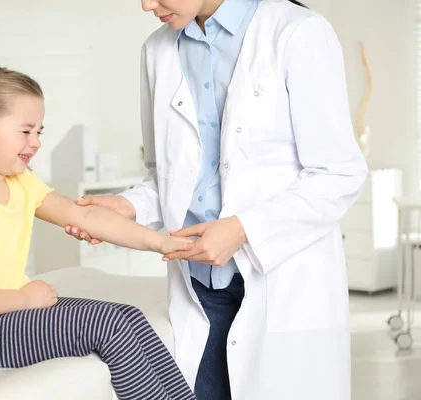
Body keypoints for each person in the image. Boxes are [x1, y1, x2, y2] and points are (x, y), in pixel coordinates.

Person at [65, 0, 369, 399]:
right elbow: (168, 175)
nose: (145, 5)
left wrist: (242, 230)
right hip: (200, 288)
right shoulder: (158, 50)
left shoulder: (298, 32)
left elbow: (339, 173)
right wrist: (130, 206)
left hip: (280, 279)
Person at [0, 66, 197, 400]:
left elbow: (83, 216)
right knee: (106, 324)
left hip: (4, 316)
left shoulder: (20, 183)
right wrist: (26, 299)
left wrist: (164, 242)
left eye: (39, 132)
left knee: (126, 315)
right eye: (26, 131)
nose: (37, 143)